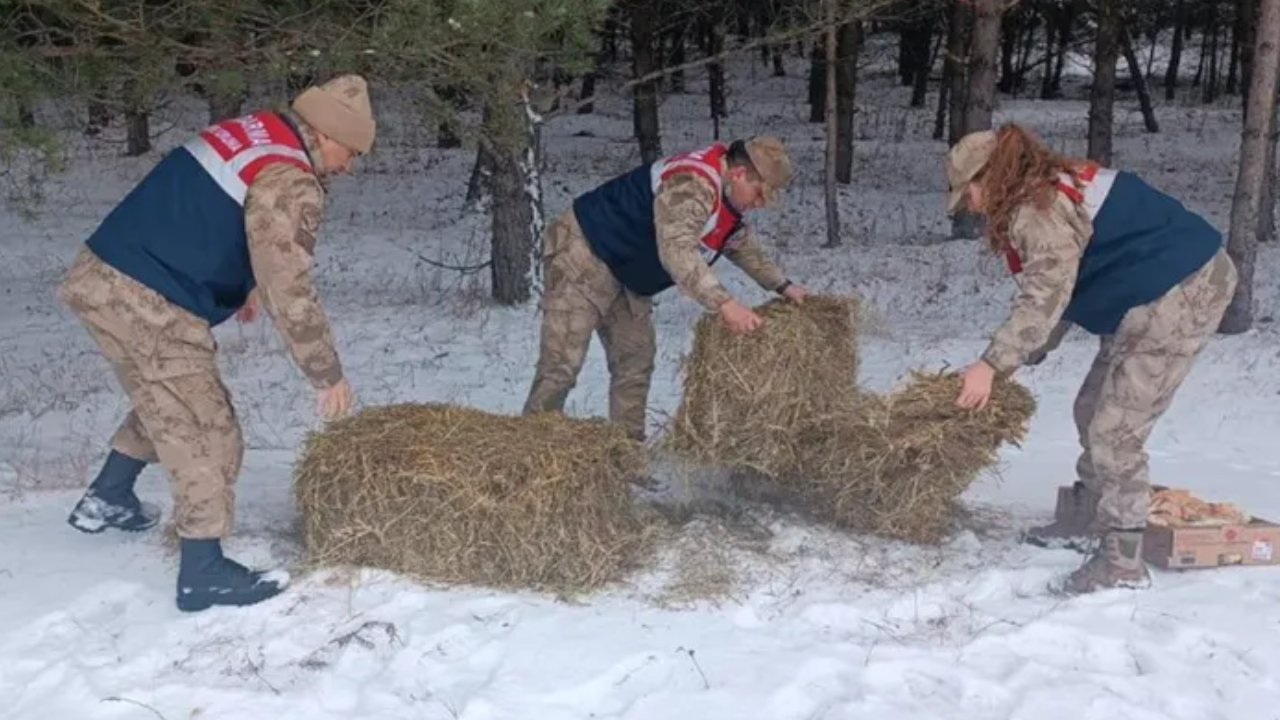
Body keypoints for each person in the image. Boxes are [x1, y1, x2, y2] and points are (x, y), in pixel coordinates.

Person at [58, 74, 376, 612]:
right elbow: (289, 285)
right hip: (146, 295)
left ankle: (108, 497)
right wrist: (326, 372)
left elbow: (218, 211)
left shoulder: (257, 131)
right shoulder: (291, 176)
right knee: (208, 428)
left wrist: (241, 284)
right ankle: (203, 572)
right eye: (350, 151)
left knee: (169, 399)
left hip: (107, 273)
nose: (349, 166)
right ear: (325, 135)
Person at [944, 122, 1237, 594]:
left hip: (1182, 290)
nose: (971, 208)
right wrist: (1024, 352)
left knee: (1116, 430)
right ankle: (1089, 517)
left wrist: (992, 365)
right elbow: (1061, 292)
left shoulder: (1036, 208)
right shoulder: (1041, 190)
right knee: (1091, 408)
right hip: (1146, 290)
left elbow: (1047, 295)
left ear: (991, 178)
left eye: (970, 193)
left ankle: (1122, 560)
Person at [522, 136, 809, 444]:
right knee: (562, 363)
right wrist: (724, 303)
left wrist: (784, 285)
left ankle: (626, 453)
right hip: (585, 252)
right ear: (739, 174)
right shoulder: (693, 184)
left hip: (628, 271)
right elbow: (677, 250)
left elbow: (739, 244)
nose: (759, 203)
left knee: (635, 361)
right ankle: (534, 450)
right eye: (759, 193)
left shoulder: (726, 199)